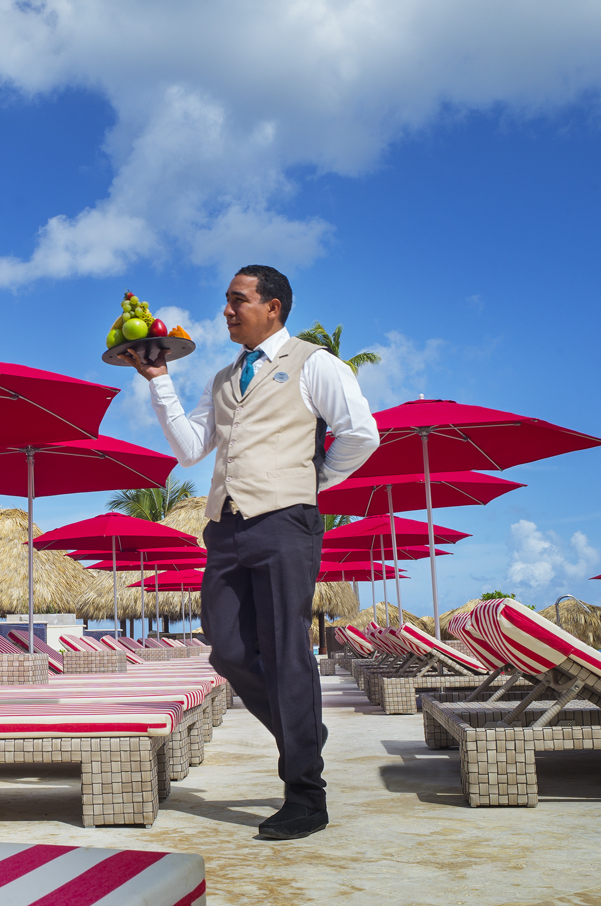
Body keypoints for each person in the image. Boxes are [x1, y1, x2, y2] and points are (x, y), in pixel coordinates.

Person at [127, 264, 377, 841]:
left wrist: (314, 480)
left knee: (288, 649)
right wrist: (158, 380)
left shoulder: (316, 363)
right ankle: (304, 730)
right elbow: (191, 450)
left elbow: (361, 433)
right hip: (228, 528)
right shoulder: (222, 378)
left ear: (274, 307)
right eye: (227, 300)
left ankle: (305, 794)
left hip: (286, 522)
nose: (227, 311)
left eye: (238, 300)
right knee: (229, 647)